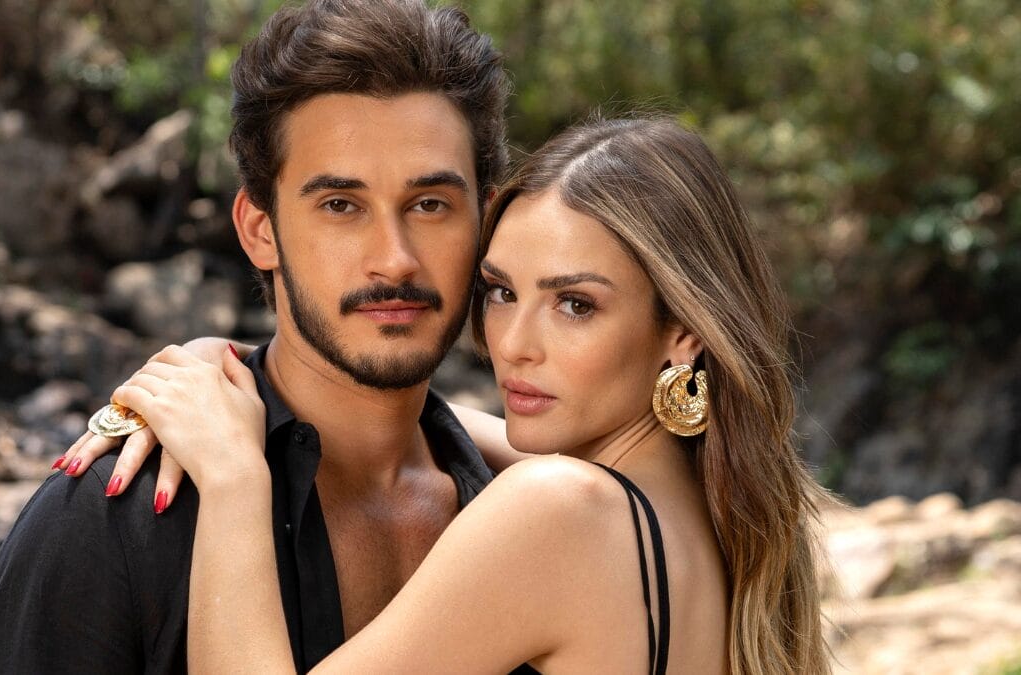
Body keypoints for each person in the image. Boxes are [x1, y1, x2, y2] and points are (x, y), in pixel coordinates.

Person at [76, 118, 832, 672]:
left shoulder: (561, 513)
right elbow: (418, 423)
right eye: (501, 291)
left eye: (576, 305)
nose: (514, 343)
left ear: (684, 332)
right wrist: (239, 370)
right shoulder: (718, 517)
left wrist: (234, 475)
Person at [0, 1, 513, 672]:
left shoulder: (527, 508)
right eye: (341, 205)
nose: (395, 260)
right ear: (259, 230)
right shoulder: (115, 514)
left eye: (430, 205)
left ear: (485, 223)